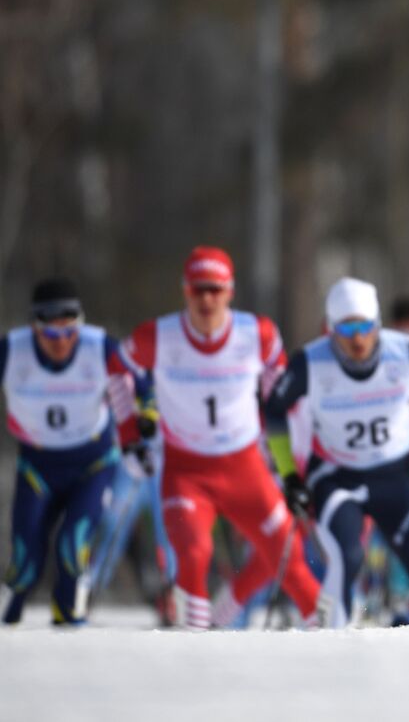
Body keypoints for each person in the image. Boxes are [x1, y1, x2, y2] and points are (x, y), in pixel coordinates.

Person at [120, 246, 322, 629]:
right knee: (194, 554)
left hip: (244, 466)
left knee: (287, 554)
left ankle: (333, 643)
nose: (207, 299)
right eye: (198, 290)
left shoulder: (257, 333)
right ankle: (194, 648)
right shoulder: (158, 336)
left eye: (215, 289)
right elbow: (118, 368)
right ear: (185, 292)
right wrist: (130, 434)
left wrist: (285, 462)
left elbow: (281, 400)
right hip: (186, 470)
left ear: (230, 291)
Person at [0, 277, 149, 625]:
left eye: (70, 332)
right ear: (34, 327)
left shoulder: (100, 348)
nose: (61, 342)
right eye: (51, 334)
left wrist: (147, 417)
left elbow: (144, 388)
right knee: (25, 563)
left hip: (92, 466)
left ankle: (69, 630)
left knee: (71, 548)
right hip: (37, 468)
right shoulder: (10, 350)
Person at [263, 277, 409, 627]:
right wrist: (289, 475)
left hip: (396, 478)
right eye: (346, 328)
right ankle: (333, 643)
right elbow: (274, 411)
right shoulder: (310, 362)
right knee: (347, 556)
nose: (357, 339)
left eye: (365, 326)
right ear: (331, 329)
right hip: (337, 479)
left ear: (377, 324)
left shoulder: (407, 352)